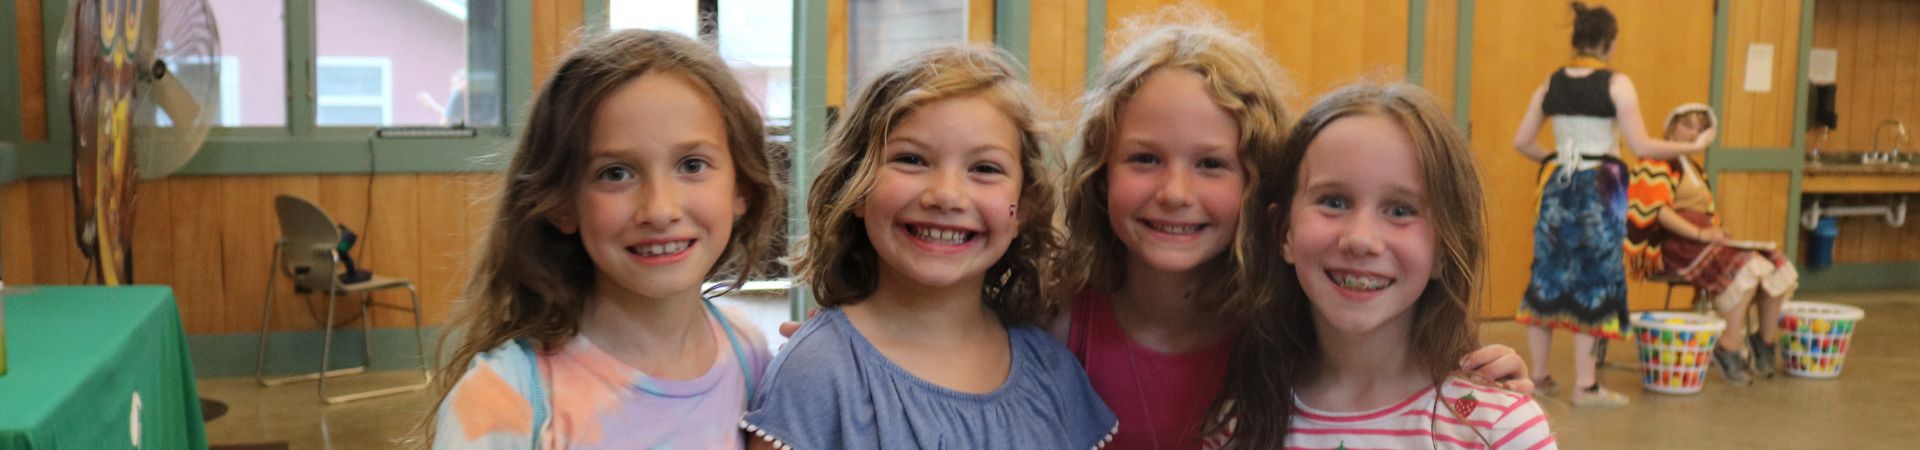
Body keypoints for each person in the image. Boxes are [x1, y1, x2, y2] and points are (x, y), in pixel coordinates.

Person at [1051, 10, 1533, 449]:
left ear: (1258, 186)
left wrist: (1488, 400)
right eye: (1145, 158)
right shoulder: (1054, 324)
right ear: (1100, 172)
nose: (1176, 192)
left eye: (1212, 163)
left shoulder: (1287, 328)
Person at [741, 46, 1117, 449]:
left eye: (985, 169)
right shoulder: (816, 371)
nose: (946, 196)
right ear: (856, 188)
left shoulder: (1053, 370)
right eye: (912, 160)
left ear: (1023, 207)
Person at [425, 29, 783, 448]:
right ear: (561, 202)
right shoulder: (503, 400)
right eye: (615, 173)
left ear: (741, 189)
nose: (660, 210)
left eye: (692, 165)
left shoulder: (750, 355)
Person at [1213, 83, 1555, 450]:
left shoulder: (1498, 427)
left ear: (1443, 248)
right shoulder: (1240, 423)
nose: (1361, 239)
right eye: (1333, 201)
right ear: (1284, 233)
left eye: (1400, 210)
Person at [1509, 1, 1715, 407]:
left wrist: (1557, 160)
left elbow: (1522, 142)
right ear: (1609, 43)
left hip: (1557, 185)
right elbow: (1640, 145)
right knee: (1594, 277)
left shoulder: (1550, 83)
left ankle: (1540, 376)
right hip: (1602, 186)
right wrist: (1692, 144)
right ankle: (1585, 387)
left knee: (1546, 276)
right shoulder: (1617, 84)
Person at [1628, 104, 1798, 384]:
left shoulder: (1693, 167)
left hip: (1700, 238)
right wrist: (1700, 234)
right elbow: (1657, 210)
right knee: (1748, 266)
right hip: (1673, 244)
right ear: (1671, 128)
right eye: (1688, 125)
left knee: (1775, 262)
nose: (1694, 133)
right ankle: (1729, 346)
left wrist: (1715, 231)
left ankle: (1764, 341)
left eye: (1700, 128)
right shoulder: (1655, 161)